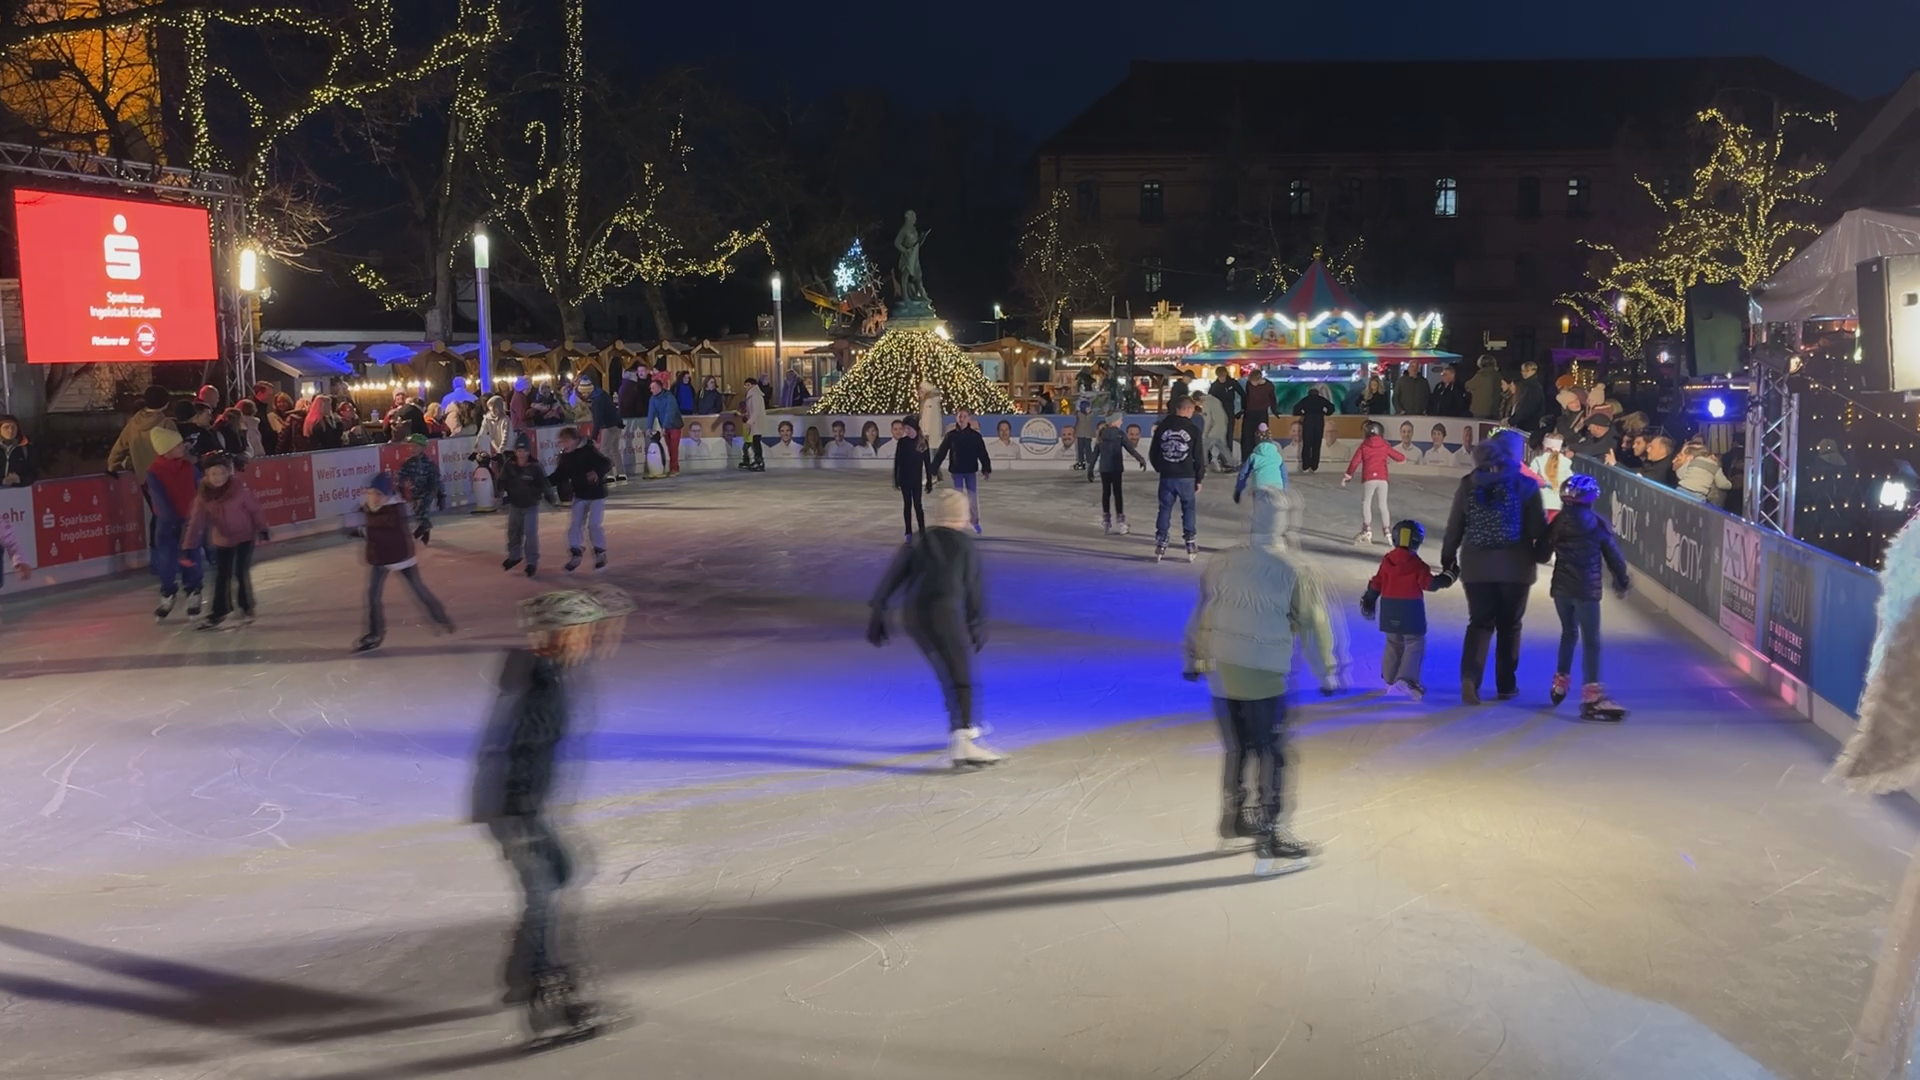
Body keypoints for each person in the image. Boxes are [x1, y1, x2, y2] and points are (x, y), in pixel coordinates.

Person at [471, 589, 619, 1044]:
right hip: (518, 809)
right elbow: (515, 754)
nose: (590, 640)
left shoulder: (548, 675)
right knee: (544, 891)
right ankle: (543, 990)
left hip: (521, 807)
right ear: (562, 635)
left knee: (560, 874)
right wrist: (523, 820)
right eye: (583, 632)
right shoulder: (540, 684)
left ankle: (524, 975)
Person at [1182, 489, 1338, 873]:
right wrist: (1328, 670)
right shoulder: (1294, 569)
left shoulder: (1224, 562)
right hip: (1264, 674)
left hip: (1223, 671)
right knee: (1272, 751)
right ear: (1284, 521)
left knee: (1239, 747)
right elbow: (1315, 623)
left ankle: (1235, 815)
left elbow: (1205, 612)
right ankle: (1271, 832)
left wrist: (1197, 656)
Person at [868, 488, 1002, 768]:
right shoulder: (965, 545)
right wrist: (977, 622)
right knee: (961, 675)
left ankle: (961, 726)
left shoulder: (919, 540)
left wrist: (879, 611)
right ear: (962, 517)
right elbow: (973, 589)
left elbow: (894, 576)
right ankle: (963, 740)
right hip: (944, 614)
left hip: (915, 616)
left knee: (948, 672)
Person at [1441, 429, 1550, 704]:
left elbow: (1455, 525)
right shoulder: (1526, 486)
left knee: (1479, 624)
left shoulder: (1469, 483)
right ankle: (1505, 685)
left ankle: (1470, 679)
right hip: (1516, 568)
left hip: (1476, 567)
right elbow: (1537, 527)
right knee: (1510, 626)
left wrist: (1448, 558)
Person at [1542, 474, 1631, 720]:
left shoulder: (1557, 522)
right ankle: (1593, 697)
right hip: (1586, 592)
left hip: (1561, 590)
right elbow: (1614, 558)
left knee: (1568, 632)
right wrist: (1622, 582)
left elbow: (1541, 553)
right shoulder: (1596, 524)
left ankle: (1560, 683)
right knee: (1591, 640)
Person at [355, 472, 456, 652]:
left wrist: (365, 532)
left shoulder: (394, 510)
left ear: (387, 495)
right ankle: (375, 633)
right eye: (373, 493)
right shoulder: (370, 507)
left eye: (380, 494)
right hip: (381, 558)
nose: (375, 497)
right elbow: (371, 523)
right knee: (373, 595)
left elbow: (384, 531)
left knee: (418, 589)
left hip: (401, 557)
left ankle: (440, 616)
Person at [1360, 520, 1457, 700]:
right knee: (1414, 642)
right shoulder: (1416, 564)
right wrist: (1449, 576)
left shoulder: (1388, 561)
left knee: (1393, 642)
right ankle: (1406, 679)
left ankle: (1390, 677)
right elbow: (1430, 584)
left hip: (1389, 609)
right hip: (1410, 609)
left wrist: (1369, 599)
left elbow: (1377, 582)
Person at [183, 451, 268, 630]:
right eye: (213, 474)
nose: (218, 477)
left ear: (228, 473)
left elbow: (254, 509)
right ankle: (219, 611)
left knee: (240, 572)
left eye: (222, 473)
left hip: (245, 535)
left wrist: (262, 528)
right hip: (222, 539)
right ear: (206, 475)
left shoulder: (239, 489)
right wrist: (188, 545)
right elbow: (196, 522)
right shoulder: (203, 497)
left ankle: (246, 607)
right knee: (222, 575)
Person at [145, 427, 203, 622]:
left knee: (191, 559)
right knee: (167, 562)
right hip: (168, 525)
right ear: (167, 449)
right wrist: (174, 521)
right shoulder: (154, 472)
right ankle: (168, 592)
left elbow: (201, 490)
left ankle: (194, 591)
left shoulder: (189, 468)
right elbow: (160, 501)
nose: (183, 447)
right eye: (178, 445)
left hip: (191, 523)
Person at [1150, 394, 1205, 562]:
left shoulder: (1161, 428)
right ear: (1187, 409)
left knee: (1165, 508)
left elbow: (1153, 453)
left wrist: (1162, 468)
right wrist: (1199, 478)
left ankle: (1161, 540)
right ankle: (1190, 540)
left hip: (1167, 476)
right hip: (1186, 476)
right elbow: (1199, 456)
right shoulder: (1194, 430)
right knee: (1188, 508)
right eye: (1192, 411)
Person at [551, 426, 611, 572]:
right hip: (580, 494)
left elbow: (606, 463)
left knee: (594, 525)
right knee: (575, 525)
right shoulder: (565, 457)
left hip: (596, 494)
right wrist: (541, 483)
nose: (563, 444)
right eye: (561, 441)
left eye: (565, 441)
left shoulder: (588, 451)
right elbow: (559, 476)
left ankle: (600, 552)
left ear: (574, 440)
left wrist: (596, 473)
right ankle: (576, 551)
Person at [1341, 419, 1406, 544]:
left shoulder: (1364, 446)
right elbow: (1398, 456)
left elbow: (1355, 462)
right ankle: (1387, 531)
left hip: (1369, 479)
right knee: (1383, 505)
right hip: (1382, 479)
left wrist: (1348, 475)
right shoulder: (1385, 444)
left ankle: (1367, 530)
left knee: (1366, 503)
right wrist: (1402, 459)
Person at [500, 434, 556, 576]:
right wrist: (498, 493)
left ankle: (531, 562)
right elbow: (501, 480)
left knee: (530, 534)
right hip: (515, 504)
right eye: (519, 451)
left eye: (524, 451)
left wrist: (550, 498)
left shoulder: (535, 466)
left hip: (530, 504)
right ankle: (515, 556)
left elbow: (543, 484)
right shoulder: (509, 464)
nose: (521, 454)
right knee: (513, 532)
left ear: (528, 451)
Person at [930, 408, 991, 533]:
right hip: (956, 470)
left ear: (969, 418)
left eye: (964, 416)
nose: (962, 419)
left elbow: (982, 453)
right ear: (956, 418)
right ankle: (958, 520)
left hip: (970, 470)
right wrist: (933, 468)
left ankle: (974, 521)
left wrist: (986, 468)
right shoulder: (951, 436)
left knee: (972, 496)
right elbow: (941, 453)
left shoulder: (975, 436)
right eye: (959, 416)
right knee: (957, 496)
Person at [108, 385, 177, 481]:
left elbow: (119, 447)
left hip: (141, 478)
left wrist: (112, 466)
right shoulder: (166, 424)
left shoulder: (134, 422)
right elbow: (177, 452)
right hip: (165, 478)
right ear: (165, 403)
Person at [1096, 410, 1149, 534]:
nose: (1122, 421)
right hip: (1115, 468)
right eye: (1120, 419)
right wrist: (1140, 459)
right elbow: (1130, 448)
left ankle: (1106, 520)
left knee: (1106, 493)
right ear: (1114, 421)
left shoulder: (1101, 433)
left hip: (1104, 468)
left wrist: (1091, 467)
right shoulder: (1119, 434)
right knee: (1117, 494)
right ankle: (1120, 522)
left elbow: (1095, 452)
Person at [398, 434, 444, 544]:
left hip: (427, 491)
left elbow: (436, 479)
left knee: (421, 511)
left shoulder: (429, 463)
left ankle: (421, 530)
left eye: (415, 446)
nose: (412, 449)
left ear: (423, 448)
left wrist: (440, 495)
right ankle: (425, 531)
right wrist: (400, 487)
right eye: (411, 446)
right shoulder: (408, 463)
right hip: (415, 492)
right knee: (419, 514)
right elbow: (401, 476)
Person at [893, 415, 932, 540]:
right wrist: (896, 478)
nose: (906, 431)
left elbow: (927, 463)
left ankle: (922, 530)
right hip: (905, 479)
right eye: (905, 429)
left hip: (916, 480)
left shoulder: (922, 443)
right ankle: (908, 531)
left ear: (914, 428)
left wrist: (929, 481)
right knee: (907, 504)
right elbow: (897, 461)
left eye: (908, 429)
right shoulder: (902, 442)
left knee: (917, 505)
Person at [584, 373, 626, 483]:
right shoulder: (602, 393)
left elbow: (597, 419)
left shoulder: (597, 401)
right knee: (614, 450)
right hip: (616, 423)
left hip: (609, 426)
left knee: (604, 450)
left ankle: (609, 475)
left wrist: (593, 437)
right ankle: (621, 475)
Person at [1233, 422, 1287, 503]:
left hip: (1259, 487)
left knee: (1260, 508)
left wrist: (1238, 490)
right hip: (1277, 488)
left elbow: (1243, 474)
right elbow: (1284, 475)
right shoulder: (1278, 456)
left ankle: (1259, 513)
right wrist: (1285, 491)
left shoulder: (1253, 456)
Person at [1291, 383, 1337, 473]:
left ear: (1309, 393)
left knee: (1307, 444)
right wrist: (1326, 413)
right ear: (1318, 393)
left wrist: (1302, 413)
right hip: (1319, 421)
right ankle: (1314, 466)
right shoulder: (1321, 400)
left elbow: (1296, 409)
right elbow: (1331, 407)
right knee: (1317, 444)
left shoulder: (1305, 400)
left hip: (1308, 421)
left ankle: (1305, 465)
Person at [646, 375, 684, 476]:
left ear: (659, 388)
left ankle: (675, 468)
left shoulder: (669, 397)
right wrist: (648, 427)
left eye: (653, 388)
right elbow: (651, 413)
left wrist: (664, 427)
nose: (651, 390)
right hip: (665, 426)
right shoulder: (653, 399)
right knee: (669, 447)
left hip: (674, 425)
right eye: (651, 388)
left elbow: (670, 413)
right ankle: (672, 467)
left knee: (673, 448)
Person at [1527, 435, 1571, 522]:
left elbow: (1530, 478)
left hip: (1541, 502)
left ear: (1545, 446)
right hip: (1558, 503)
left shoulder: (1538, 460)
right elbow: (1569, 481)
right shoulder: (1566, 462)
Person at [1675, 440, 1733, 505]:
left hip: (1682, 489)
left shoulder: (1695, 460)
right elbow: (1722, 484)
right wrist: (1730, 485)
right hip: (1698, 495)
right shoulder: (1716, 468)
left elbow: (1680, 473)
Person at [1241, 367, 1277, 462]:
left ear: (1259, 379)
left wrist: (1274, 410)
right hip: (1250, 413)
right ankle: (1246, 460)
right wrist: (1243, 409)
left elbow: (1273, 399)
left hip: (1262, 413)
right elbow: (1246, 397)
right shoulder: (1249, 384)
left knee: (1262, 437)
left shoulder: (1269, 386)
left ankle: (1261, 459)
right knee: (1247, 437)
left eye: (1254, 382)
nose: (1252, 384)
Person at [737, 377, 768, 472]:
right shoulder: (751, 396)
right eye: (745, 385)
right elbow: (752, 411)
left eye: (748, 385)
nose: (746, 387)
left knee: (756, 442)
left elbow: (756, 411)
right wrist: (746, 415)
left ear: (753, 385)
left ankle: (760, 461)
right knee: (755, 442)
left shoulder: (756, 396)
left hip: (757, 423)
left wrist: (750, 422)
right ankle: (757, 460)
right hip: (755, 423)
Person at [1198, 388, 1232, 473]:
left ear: (1199, 398)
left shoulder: (1206, 403)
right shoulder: (1216, 400)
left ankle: (1204, 466)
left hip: (1214, 429)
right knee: (1222, 447)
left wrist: (1204, 433)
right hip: (1222, 427)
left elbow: (1208, 420)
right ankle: (1233, 463)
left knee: (1203, 447)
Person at [1208, 365, 1244, 445]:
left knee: (1229, 435)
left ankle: (1228, 455)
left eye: (1223, 376)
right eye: (1220, 377)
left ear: (1226, 374)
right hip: (1217, 413)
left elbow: (1242, 394)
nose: (1222, 379)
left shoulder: (1232, 383)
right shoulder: (1214, 386)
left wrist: (1242, 409)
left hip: (1229, 412)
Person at [0, 414, 35, 487]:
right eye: (6, 427)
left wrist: (20, 479)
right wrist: (2, 481)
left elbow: (34, 472)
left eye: (13, 427)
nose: (10, 430)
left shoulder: (26, 448)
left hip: (19, 494)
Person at [1466, 355, 1502, 420]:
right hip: (1494, 409)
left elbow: (1468, 386)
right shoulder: (1498, 375)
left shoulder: (1480, 375)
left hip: (1480, 410)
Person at [1072, 398, 1096, 474]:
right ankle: (1081, 462)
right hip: (1080, 434)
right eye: (1088, 407)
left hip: (1088, 435)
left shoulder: (1091, 414)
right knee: (1080, 450)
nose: (1089, 409)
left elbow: (1090, 416)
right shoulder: (1079, 414)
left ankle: (1090, 462)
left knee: (1088, 449)